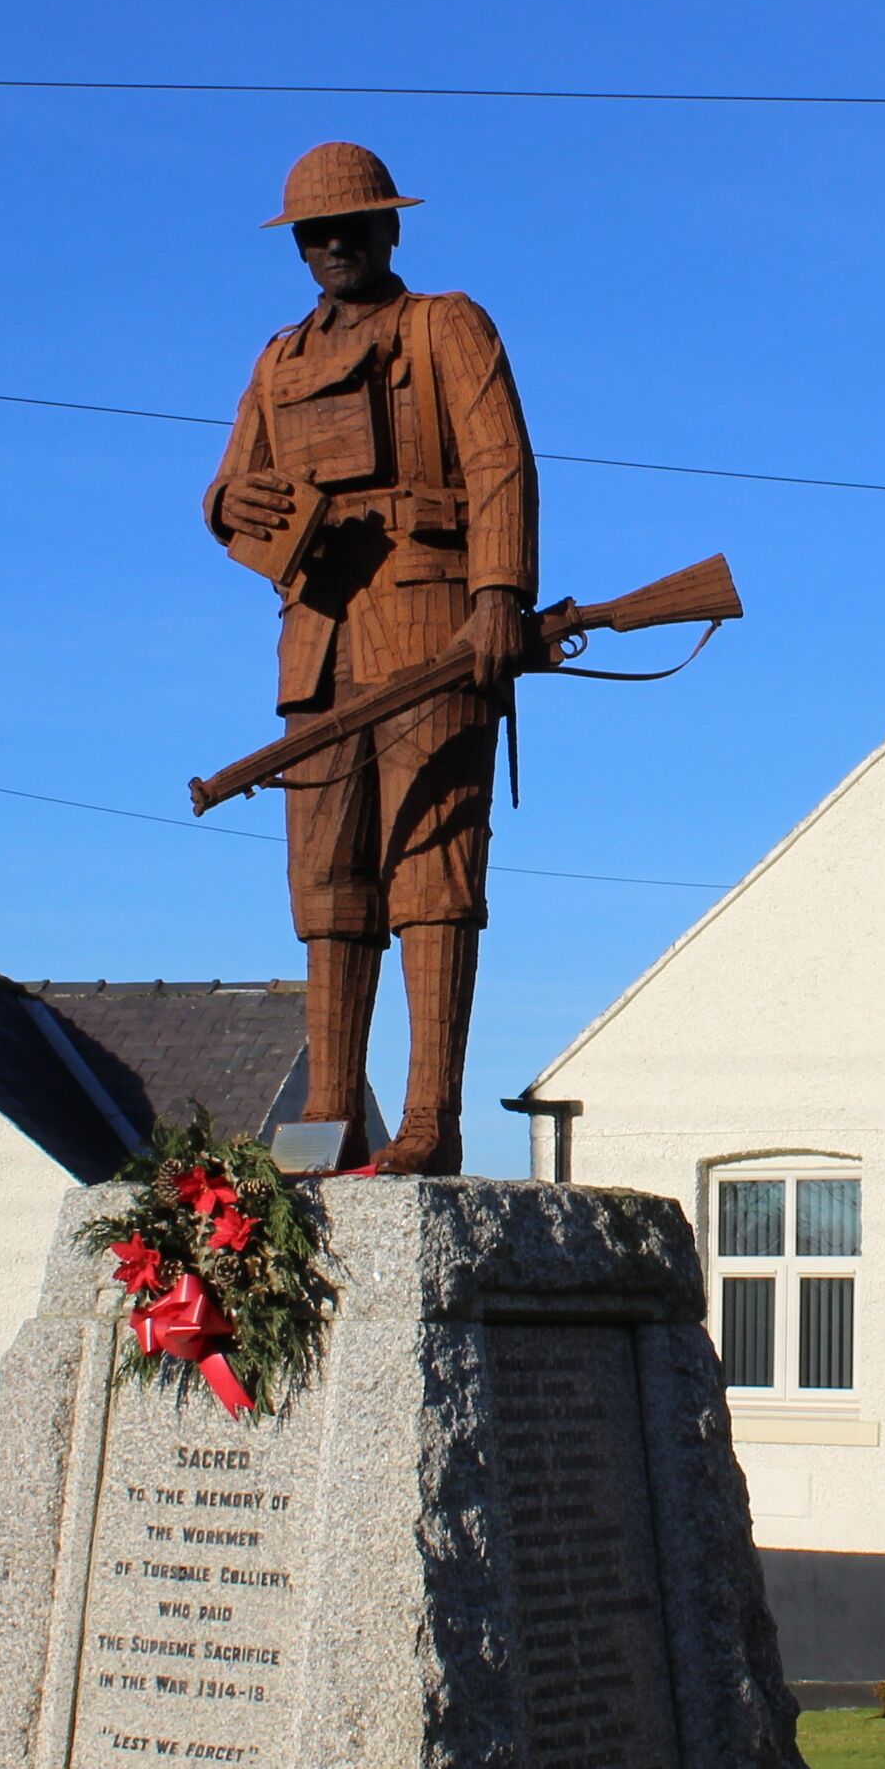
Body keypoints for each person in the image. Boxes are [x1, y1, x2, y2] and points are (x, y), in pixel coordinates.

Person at [201, 141, 534, 1174]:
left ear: (392, 227)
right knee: (328, 880)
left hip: (433, 622)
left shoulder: (445, 325)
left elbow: (500, 463)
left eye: (352, 225)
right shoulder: (278, 360)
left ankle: (432, 1113)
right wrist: (229, 507)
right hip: (318, 638)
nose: (334, 245)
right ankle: (332, 1113)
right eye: (315, 232)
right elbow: (227, 489)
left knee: (432, 864)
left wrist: (498, 598)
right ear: (297, 246)